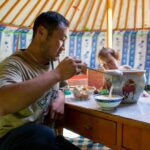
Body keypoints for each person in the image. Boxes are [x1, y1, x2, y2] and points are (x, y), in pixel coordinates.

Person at [0, 11, 84, 150]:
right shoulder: (13, 65)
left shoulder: (51, 63)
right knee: (41, 133)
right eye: (62, 39)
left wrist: (60, 97)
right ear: (41, 33)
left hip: (44, 140)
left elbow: (63, 86)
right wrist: (57, 74)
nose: (63, 47)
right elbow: (3, 101)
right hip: (10, 139)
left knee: (50, 137)